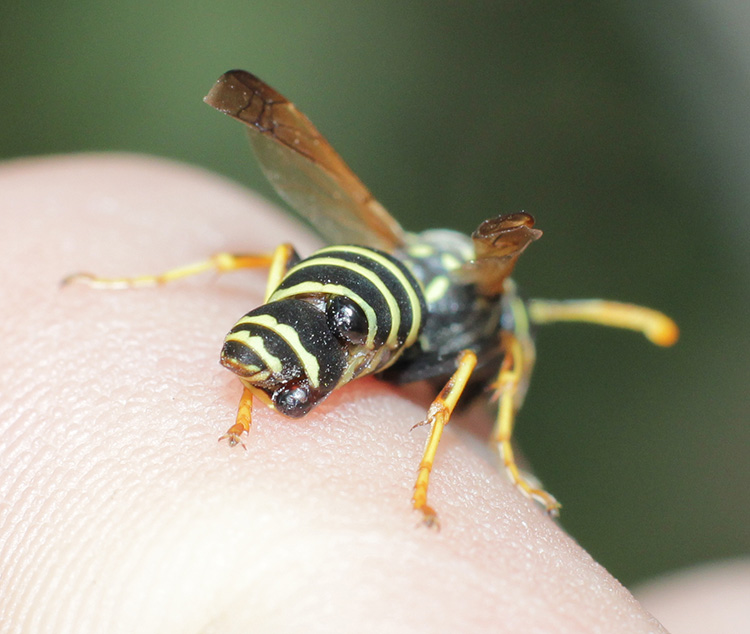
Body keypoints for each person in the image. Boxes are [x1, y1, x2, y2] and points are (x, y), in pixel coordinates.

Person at [2, 154, 742, 633]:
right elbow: (489, 362)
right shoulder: (476, 325)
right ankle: (495, 459)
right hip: (337, 335)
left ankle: (164, 291)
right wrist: (497, 455)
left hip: (326, 317)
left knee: (295, 264)